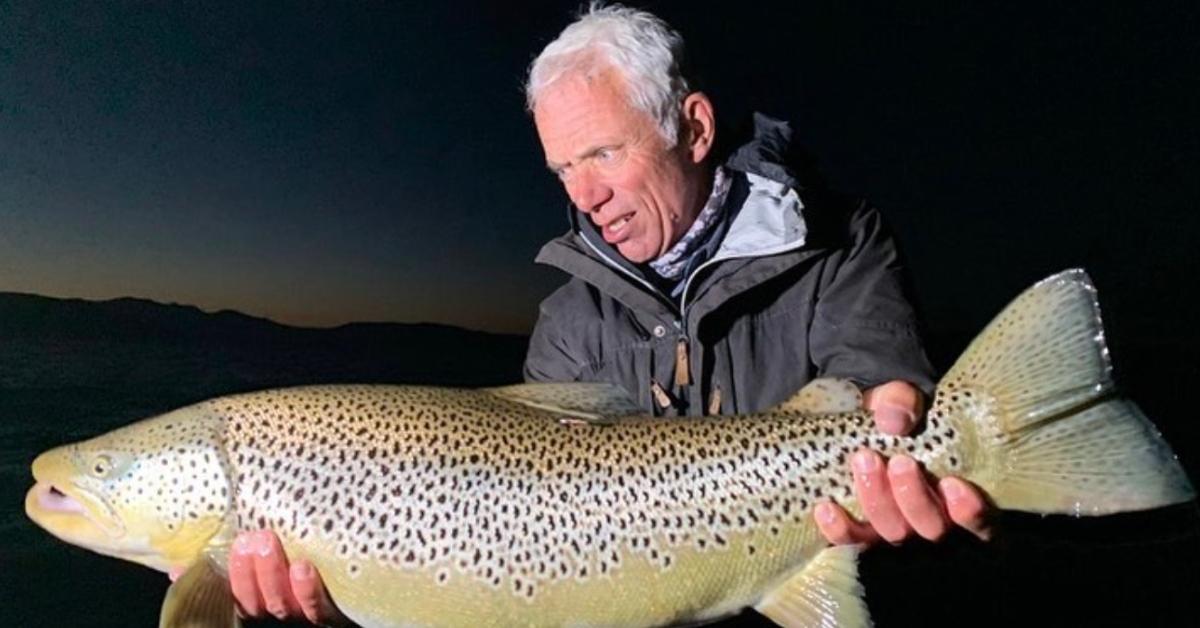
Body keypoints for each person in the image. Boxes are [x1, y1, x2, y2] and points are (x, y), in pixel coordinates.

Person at [220, 4, 989, 624]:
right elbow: (539, 503)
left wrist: (909, 431)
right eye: (563, 169)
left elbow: (878, 382)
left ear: (692, 128)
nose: (583, 196)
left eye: (603, 156)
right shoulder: (568, 320)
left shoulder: (842, 244)